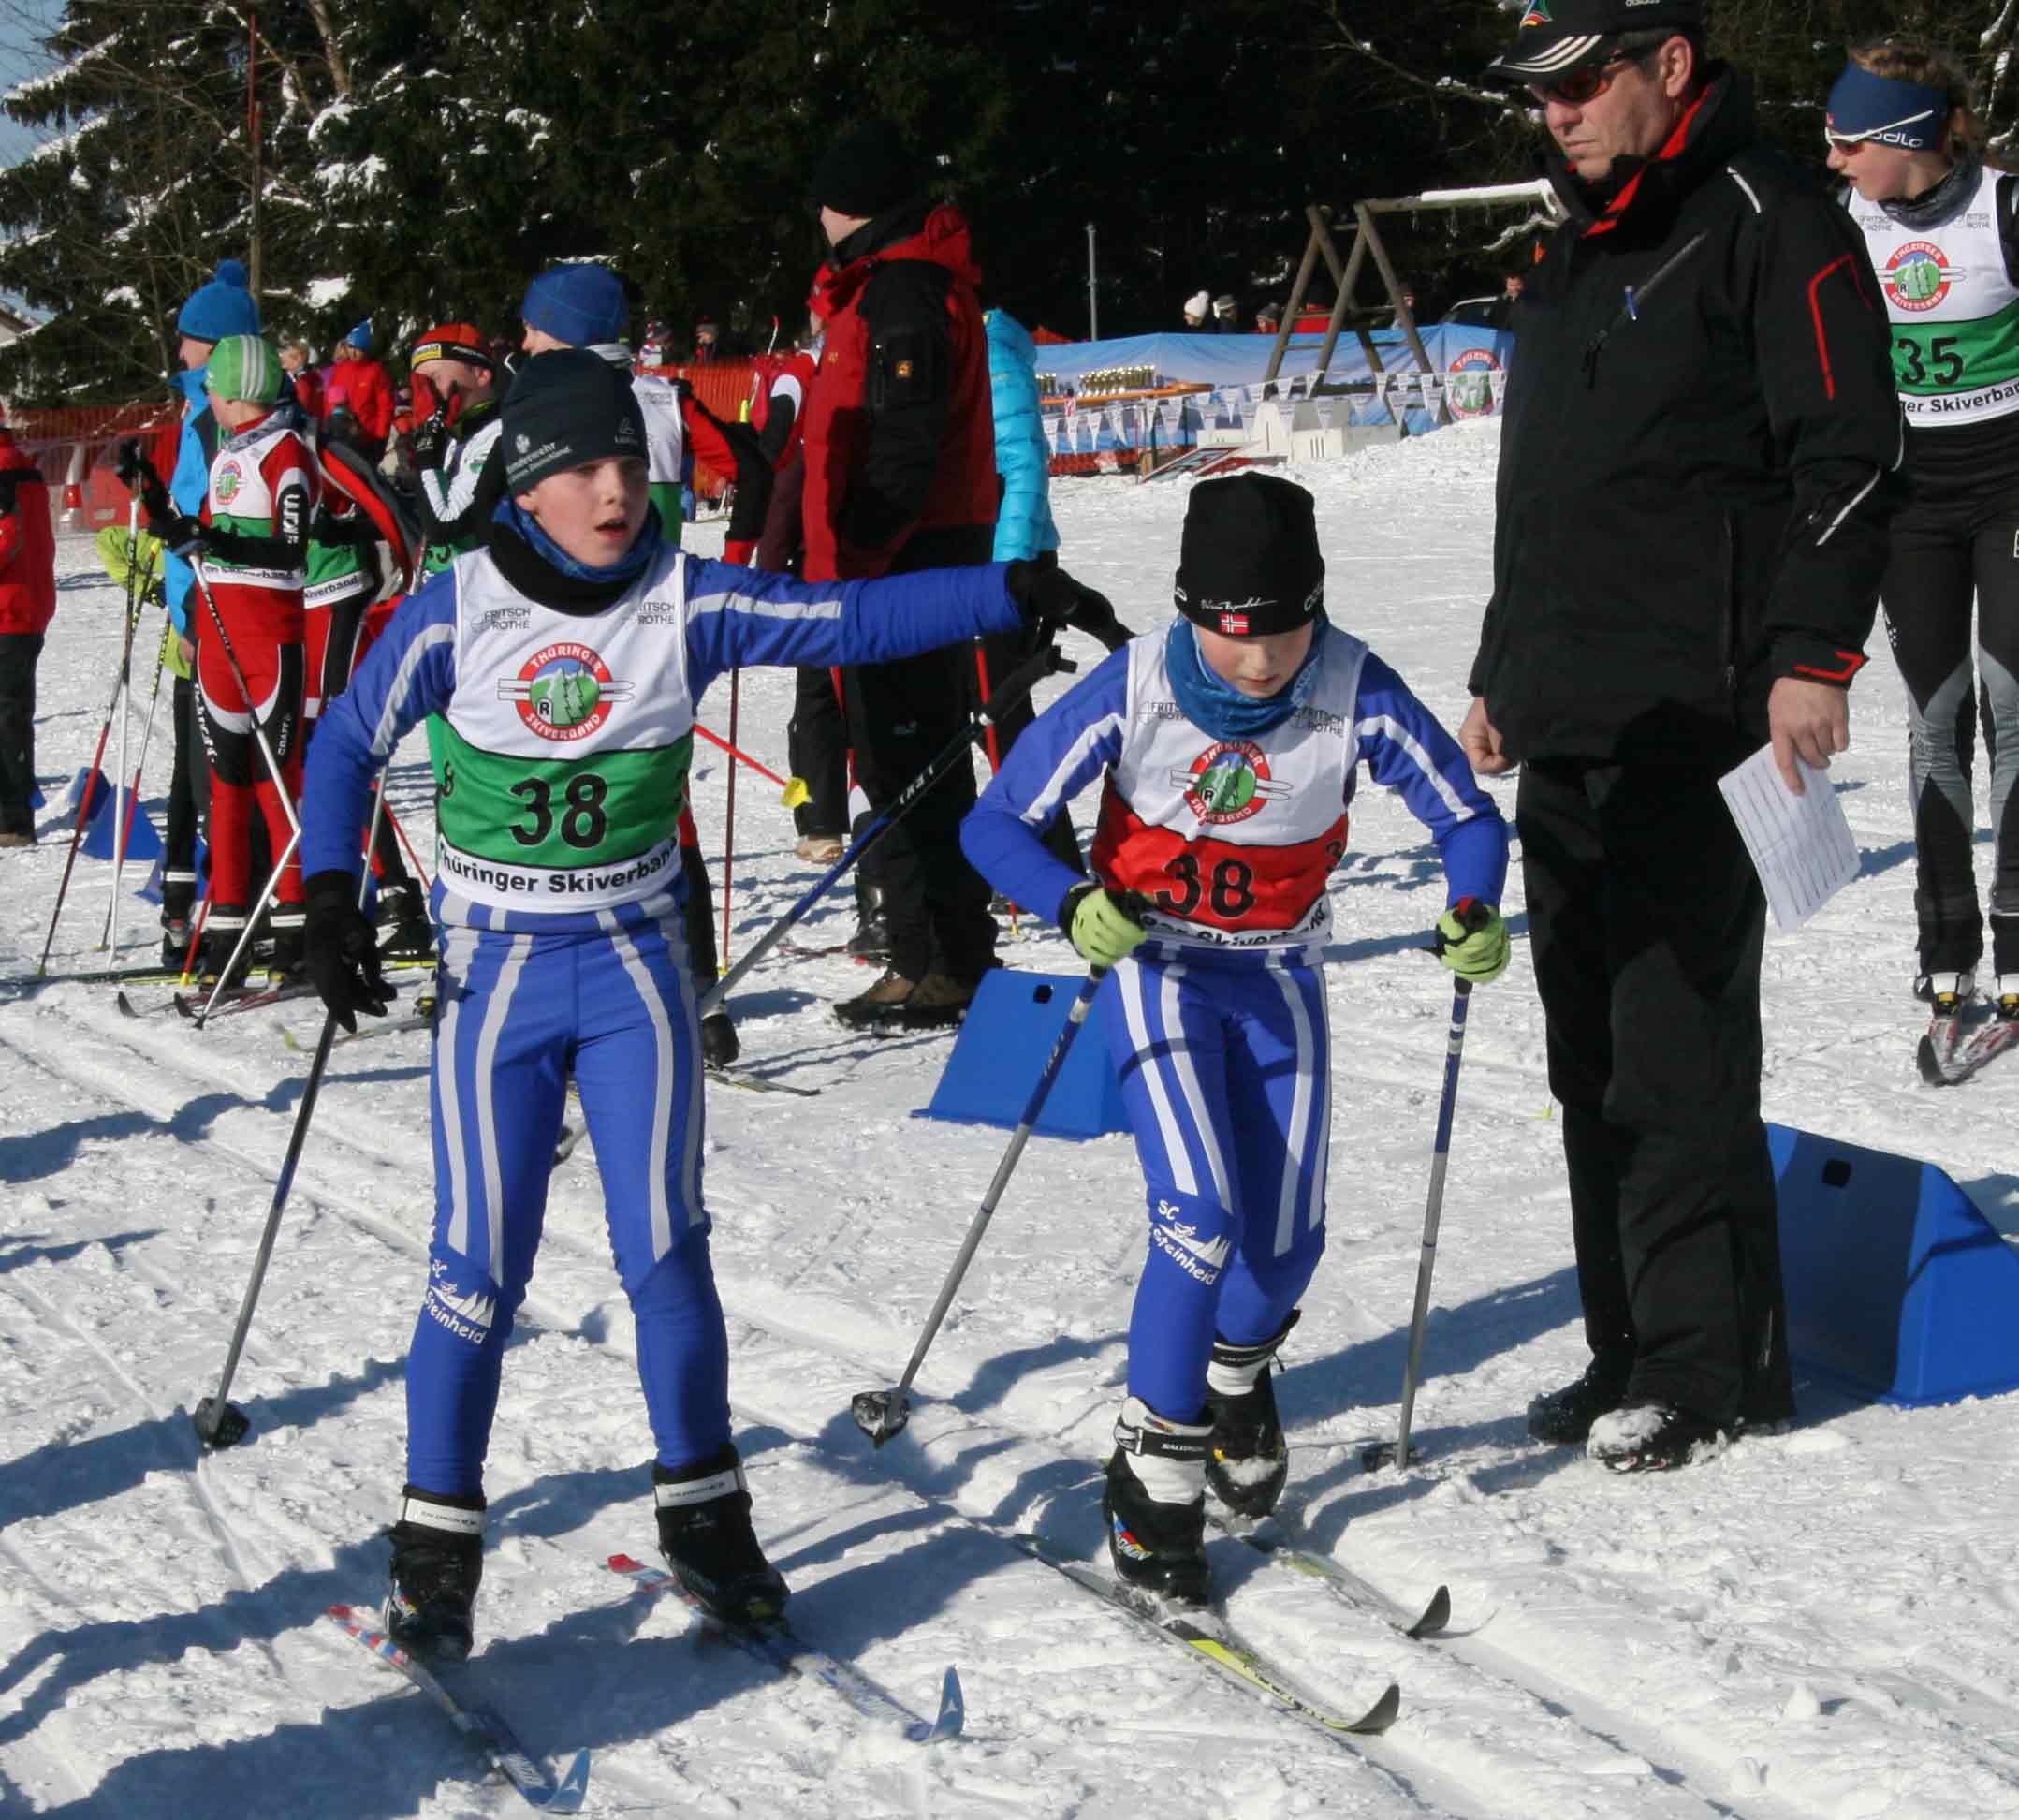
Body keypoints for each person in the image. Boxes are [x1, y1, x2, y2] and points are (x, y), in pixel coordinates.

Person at [297, 347, 1116, 1658]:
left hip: (632, 973)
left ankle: (704, 1512)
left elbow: (845, 622)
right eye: (582, 468)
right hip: (497, 975)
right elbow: (344, 743)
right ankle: (436, 1536)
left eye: (630, 462)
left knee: (666, 1247)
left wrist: (1005, 588)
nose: (615, 489)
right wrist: (331, 899)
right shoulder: (456, 612)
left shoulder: (684, 599)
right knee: (475, 1268)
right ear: (527, 481)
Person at [1465, 0, 1904, 1472]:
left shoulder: (1767, 218)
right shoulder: (1575, 248)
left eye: (1583, 85)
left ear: (1667, 66)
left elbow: (1850, 452)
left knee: (1678, 1055)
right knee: (1584, 1059)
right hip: (1573, 710)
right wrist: (1500, 666)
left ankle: (1711, 1368)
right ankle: (1625, 1348)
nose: (1560, 116)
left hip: (1702, 717)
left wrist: (1811, 657)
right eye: (1541, 97)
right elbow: (1545, 491)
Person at [962, 474, 1510, 1603]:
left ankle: (1237, 1378)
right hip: (1159, 969)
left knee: (1284, 1251)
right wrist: (1070, 903)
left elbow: (1465, 816)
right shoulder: (1140, 683)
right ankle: (1152, 1471)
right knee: (1198, 1218)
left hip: (1278, 975)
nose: (1258, 664)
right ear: (1189, 612)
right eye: (1230, 637)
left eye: (1281, 635)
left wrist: (1471, 905)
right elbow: (994, 822)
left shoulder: (1355, 687)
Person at [1825, 38, 2019, 1043]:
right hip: (1912, 502)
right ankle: (1945, 946)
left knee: (2015, 709)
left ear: (1908, 138)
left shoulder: (2006, 210)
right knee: (1936, 718)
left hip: (2012, 490)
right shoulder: (1841, 222)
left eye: (1852, 140)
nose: (1835, 159)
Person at [517, 260, 750, 1064]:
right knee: (659, 809)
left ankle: (585, 1015)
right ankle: (699, 1004)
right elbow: (751, 464)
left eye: (534, 329)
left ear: (565, 332)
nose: (523, 343)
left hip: (564, 644)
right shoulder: (666, 397)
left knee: (566, 824)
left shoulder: (544, 403)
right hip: (658, 636)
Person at [800, 120, 1003, 1030]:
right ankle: (927, 954)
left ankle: (947, 961)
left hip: (904, 564)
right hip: (891, 560)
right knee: (894, 759)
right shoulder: (884, 287)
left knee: (912, 761)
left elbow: (904, 446)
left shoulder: (905, 293)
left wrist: (862, 562)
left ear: (845, 206)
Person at [131, 335, 318, 978]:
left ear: (238, 394)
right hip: (220, 641)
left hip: (269, 641)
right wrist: (159, 504)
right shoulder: (228, 453)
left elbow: (291, 553)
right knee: (228, 787)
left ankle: (294, 930)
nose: (203, 395)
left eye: (212, 386)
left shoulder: (286, 450)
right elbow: (202, 544)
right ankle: (227, 927)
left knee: (277, 783)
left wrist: (208, 538)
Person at [979, 306, 1082, 877]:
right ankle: (1032, 852)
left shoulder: (994, 349)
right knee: (988, 712)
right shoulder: (972, 344)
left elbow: (1024, 466)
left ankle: (1048, 857)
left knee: (1001, 712)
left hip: (1006, 561)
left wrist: (1008, 567)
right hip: (980, 556)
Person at [406, 322, 505, 576]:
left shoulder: (499, 435)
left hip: (471, 589)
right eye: (419, 384)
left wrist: (427, 460)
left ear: (481, 375)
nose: (427, 393)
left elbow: (444, 524)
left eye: (435, 379)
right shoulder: (454, 435)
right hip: (435, 582)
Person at [0, 404, 54, 846]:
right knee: (11, 714)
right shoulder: (21, 467)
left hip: (9, 612)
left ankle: (12, 818)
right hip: (24, 608)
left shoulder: (4, 473)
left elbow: (5, 541)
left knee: (7, 716)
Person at [327, 321, 396, 462]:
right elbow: (329, 400)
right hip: (341, 435)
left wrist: (380, 436)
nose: (353, 352)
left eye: (358, 349)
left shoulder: (375, 371)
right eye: (351, 347)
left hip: (367, 438)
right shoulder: (341, 370)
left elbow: (385, 406)